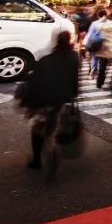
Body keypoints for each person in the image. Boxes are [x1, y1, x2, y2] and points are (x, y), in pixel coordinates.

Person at [20, 30, 79, 180]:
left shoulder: (45, 58)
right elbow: (74, 79)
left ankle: (37, 160)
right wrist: (72, 95)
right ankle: (52, 156)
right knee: (51, 130)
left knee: (37, 129)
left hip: (41, 100)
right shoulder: (73, 57)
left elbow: (34, 82)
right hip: (59, 99)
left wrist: (27, 102)